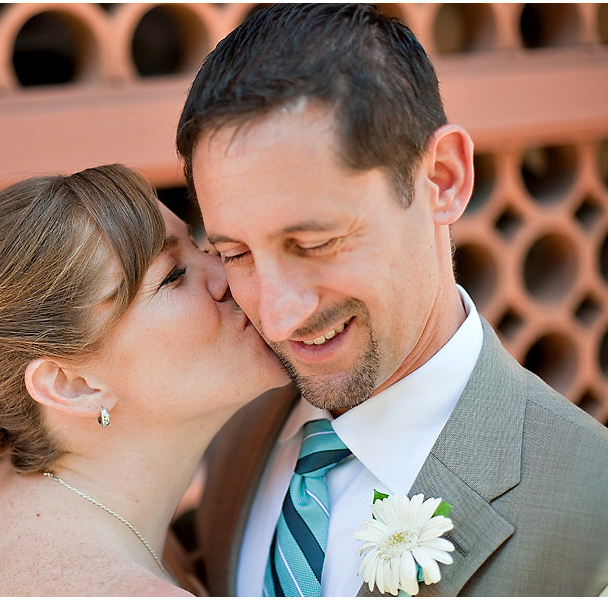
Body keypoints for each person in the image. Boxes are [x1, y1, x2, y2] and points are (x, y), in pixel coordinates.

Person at [175, 3, 607, 596]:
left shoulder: (594, 515)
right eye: (237, 255)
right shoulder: (233, 429)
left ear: (442, 179)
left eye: (314, 243)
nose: (276, 316)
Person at [0, 164, 290, 595]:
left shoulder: (5, 499)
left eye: (200, 245)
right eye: (173, 275)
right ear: (70, 384)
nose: (228, 274)